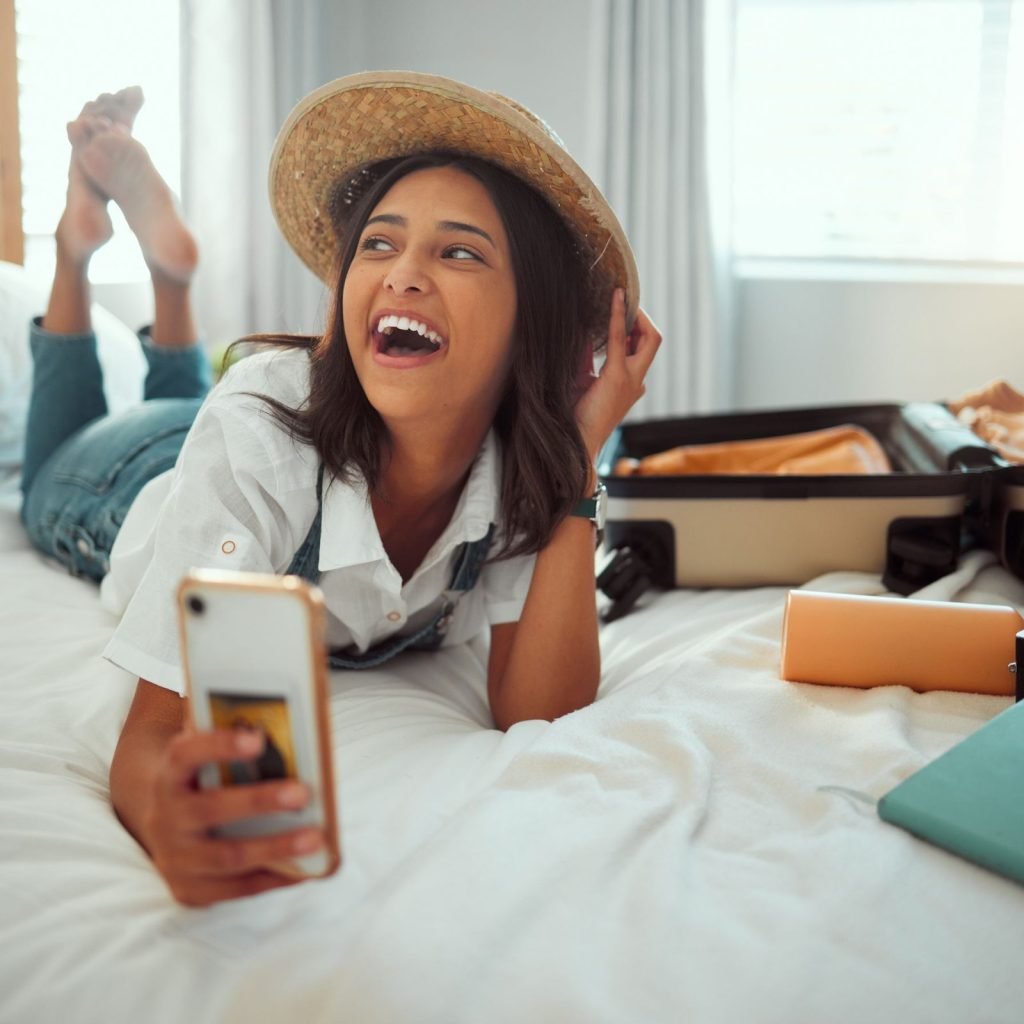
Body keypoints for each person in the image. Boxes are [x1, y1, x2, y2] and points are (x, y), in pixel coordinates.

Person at [21, 73, 661, 906]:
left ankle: (171, 284)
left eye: (460, 251)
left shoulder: (521, 469)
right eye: (379, 244)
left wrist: (581, 456)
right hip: (125, 480)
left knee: (195, 405)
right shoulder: (260, 419)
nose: (403, 274)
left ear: (527, 324)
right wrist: (171, 820)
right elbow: (152, 737)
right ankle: (79, 256)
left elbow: (538, 706)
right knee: (49, 467)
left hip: (226, 436)